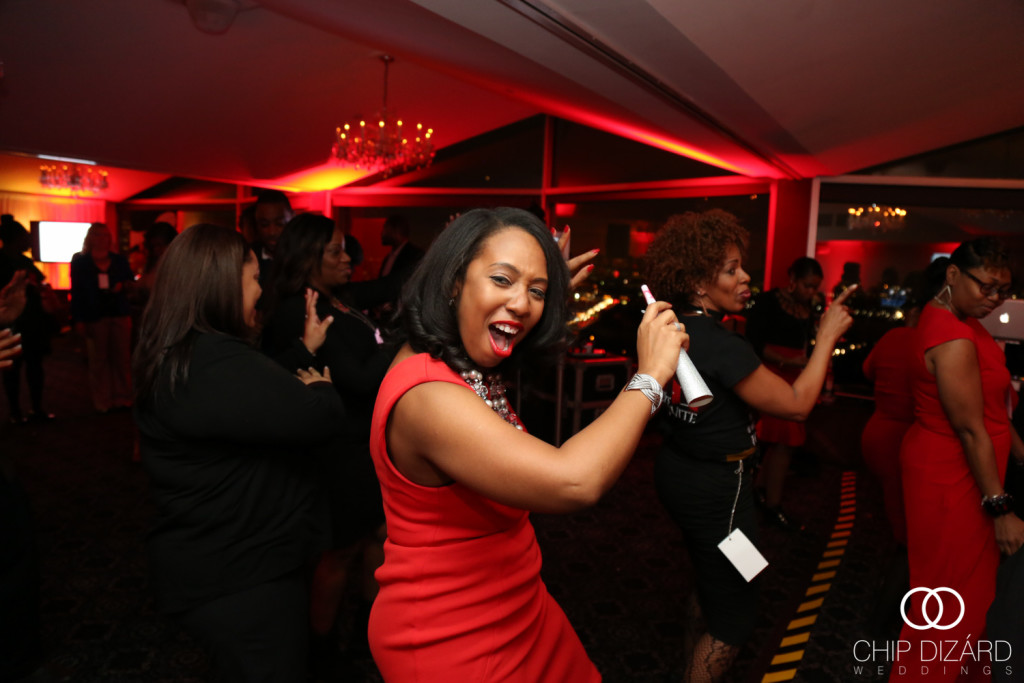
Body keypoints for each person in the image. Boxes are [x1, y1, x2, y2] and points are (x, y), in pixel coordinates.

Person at [367, 207, 682, 681]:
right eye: (501, 279)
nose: (522, 303)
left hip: (516, 602)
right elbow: (574, 482)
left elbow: (518, 347)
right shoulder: (428, 397)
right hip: (450, 634)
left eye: (536, 291)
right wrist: (650, 377)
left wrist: (535, 297)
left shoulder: (459, 360)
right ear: (453, 281)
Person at [642, 209, 853, 683]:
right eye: (731, 269)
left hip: (677, 469)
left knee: (709, 577)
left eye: (742, 267)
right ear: (698, 283)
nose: (745, 278)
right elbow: (797, 406)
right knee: (735, 618)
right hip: (720, 489)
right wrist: (826, 338)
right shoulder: (723, 344)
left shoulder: (670, 328)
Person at [133, 224, 345, 683]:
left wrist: (301, 352)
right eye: (252, 279)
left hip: (211, 563)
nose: (260, 291)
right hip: (243, 577)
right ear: (222, 286)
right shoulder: (216, 360)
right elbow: (319, 418)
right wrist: (323, 388)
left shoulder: (185, 350)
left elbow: (246, 398)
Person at [894, 238, 1024, 683]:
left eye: (1004, 290)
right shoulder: (951, 335)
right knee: (950, 602)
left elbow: (989, 409)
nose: (995, 298)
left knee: (969, 594)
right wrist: (1001, 509)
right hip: (954, 477)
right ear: (952, 274)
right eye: (987, 287)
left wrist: (1018, 451)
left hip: (966, 470)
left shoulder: (961, 319)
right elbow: (970, 429)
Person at [261, 213, 390, 647]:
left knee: (378, 535)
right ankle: (321, 647)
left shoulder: (337, 298)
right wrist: (399, 343)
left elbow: (392, 286)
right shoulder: (300, 309)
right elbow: (360, 379)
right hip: (335, 448)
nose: (347, 257)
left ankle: (368, 632)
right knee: (340, 549)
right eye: (335, 250)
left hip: (362, 442)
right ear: (308, 256)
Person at [744, 256, 825, 528]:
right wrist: (786, 361)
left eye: (815, 287)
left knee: (781, 440)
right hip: (771, 375)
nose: (811, 292)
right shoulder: (768, 302)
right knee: (784, 441)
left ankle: (760, 491)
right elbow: (754, 343)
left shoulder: (808, 308)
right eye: (807, 285)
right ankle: (773, 505)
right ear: (792, 280)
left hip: (794, 376)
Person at [70, 223, 134, 413]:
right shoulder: (81, 262)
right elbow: (77, 292)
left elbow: (130, 281)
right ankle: (102, 399)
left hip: (119, 313)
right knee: (99, 359)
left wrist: (122, 285)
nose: (102, 238)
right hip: (95, 314)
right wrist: (78, 319)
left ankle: (123, 397)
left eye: (105, 235)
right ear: (90, 237)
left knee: (122, 357)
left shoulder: (119, 260)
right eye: (97, 234)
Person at [0, 218, 57, 422]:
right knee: (17, 368)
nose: (29, 241)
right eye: (25, 237)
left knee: (30, 367)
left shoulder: (24, 262)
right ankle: (21, 410)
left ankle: (28, 410)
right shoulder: (11, 263)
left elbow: (39, 283)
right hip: (15, 323)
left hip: (29, 323)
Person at [251, 189, 293, 285]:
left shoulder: (304, 259)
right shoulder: (248, 258)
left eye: (279, 224)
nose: (272, 232)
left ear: (292, 218)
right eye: (264, 225)